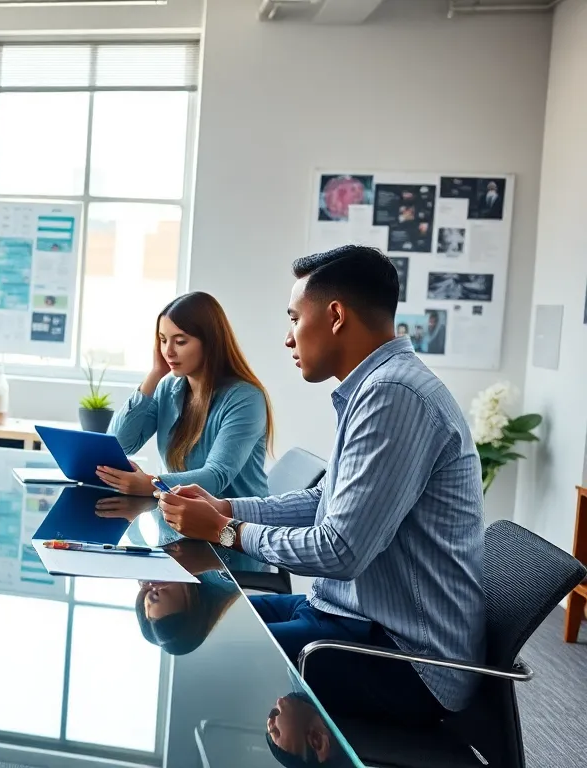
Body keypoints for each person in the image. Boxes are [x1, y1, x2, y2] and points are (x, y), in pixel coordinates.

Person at [155, 244, 485, 726]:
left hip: (404, 658)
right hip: (346, 617)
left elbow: (340, 551)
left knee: (205, 655)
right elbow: (322, 500)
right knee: (203, 615)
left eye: (294, 318)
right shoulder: (377, 386)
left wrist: (225, 531)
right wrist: (225, 506)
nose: (288, 338)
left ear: (334, 316)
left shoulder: (393, 395)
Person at [101, 291, 274, 498]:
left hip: (236, 522)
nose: (168, 351)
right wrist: (155, 374)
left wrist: (152, 484)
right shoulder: (168, 388)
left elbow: (215, 477)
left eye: (180, 342)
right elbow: (119, 445)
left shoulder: (245, 399)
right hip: (184, 516)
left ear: (210, 343)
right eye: (163, 340)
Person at [134, 540, 241, 656]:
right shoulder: (225, 577)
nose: (152, 585)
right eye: (156, 594)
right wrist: (209, 557)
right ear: (189, 605)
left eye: (146, 591)